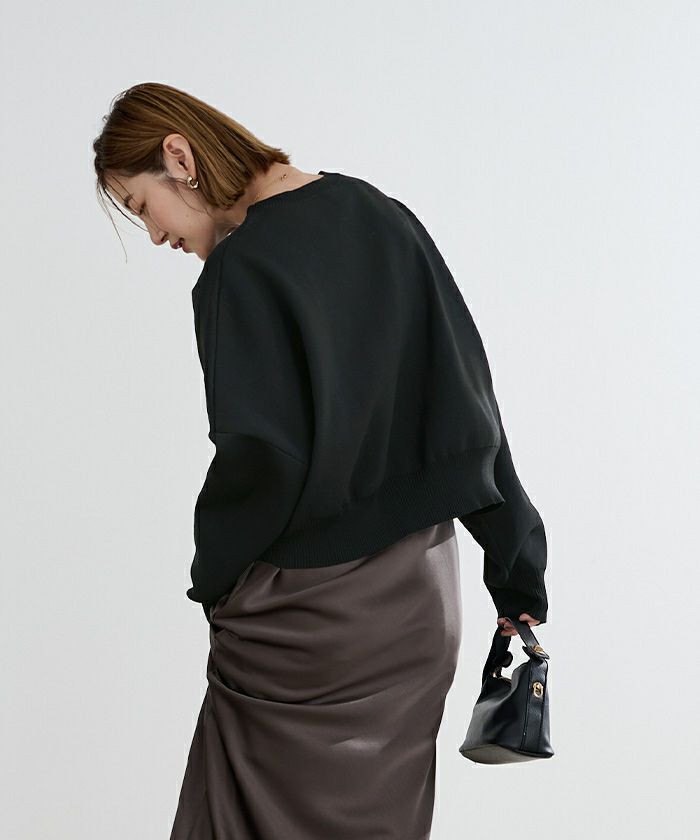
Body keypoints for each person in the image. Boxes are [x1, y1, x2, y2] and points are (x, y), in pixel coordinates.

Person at [94, 82, 548, 840]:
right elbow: (470, 407)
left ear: (179, 157)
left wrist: (213, 579)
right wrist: (517, 565)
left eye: (143, 206)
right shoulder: (377, 212)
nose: (154, 235)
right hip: (418, 612)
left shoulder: (238, 272)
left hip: (308, 627)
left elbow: (262, 462)